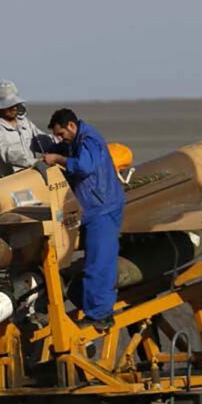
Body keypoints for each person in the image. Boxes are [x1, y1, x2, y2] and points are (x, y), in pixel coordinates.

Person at [42, 109, 125, 329]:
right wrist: (54, 150)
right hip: (92, 210)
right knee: (96, 261)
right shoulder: (75, 140)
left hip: (103, 209)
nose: (61, 139)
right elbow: (67, 150)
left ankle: (100, 315)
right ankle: (97, 310)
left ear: (71, 126)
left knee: (99, 264)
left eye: (61, 134)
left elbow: (84, 166)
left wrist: (57, 159)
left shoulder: (89, 140)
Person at [0, 80, 57, 178]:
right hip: (10, 181)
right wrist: (34, 162)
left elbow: (41, 140)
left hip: (32, 177)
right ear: (0, 107)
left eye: (15, 104)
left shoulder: (25, 123)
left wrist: (62, 143)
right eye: (9, 105)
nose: (14, 108)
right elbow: (6, 153)